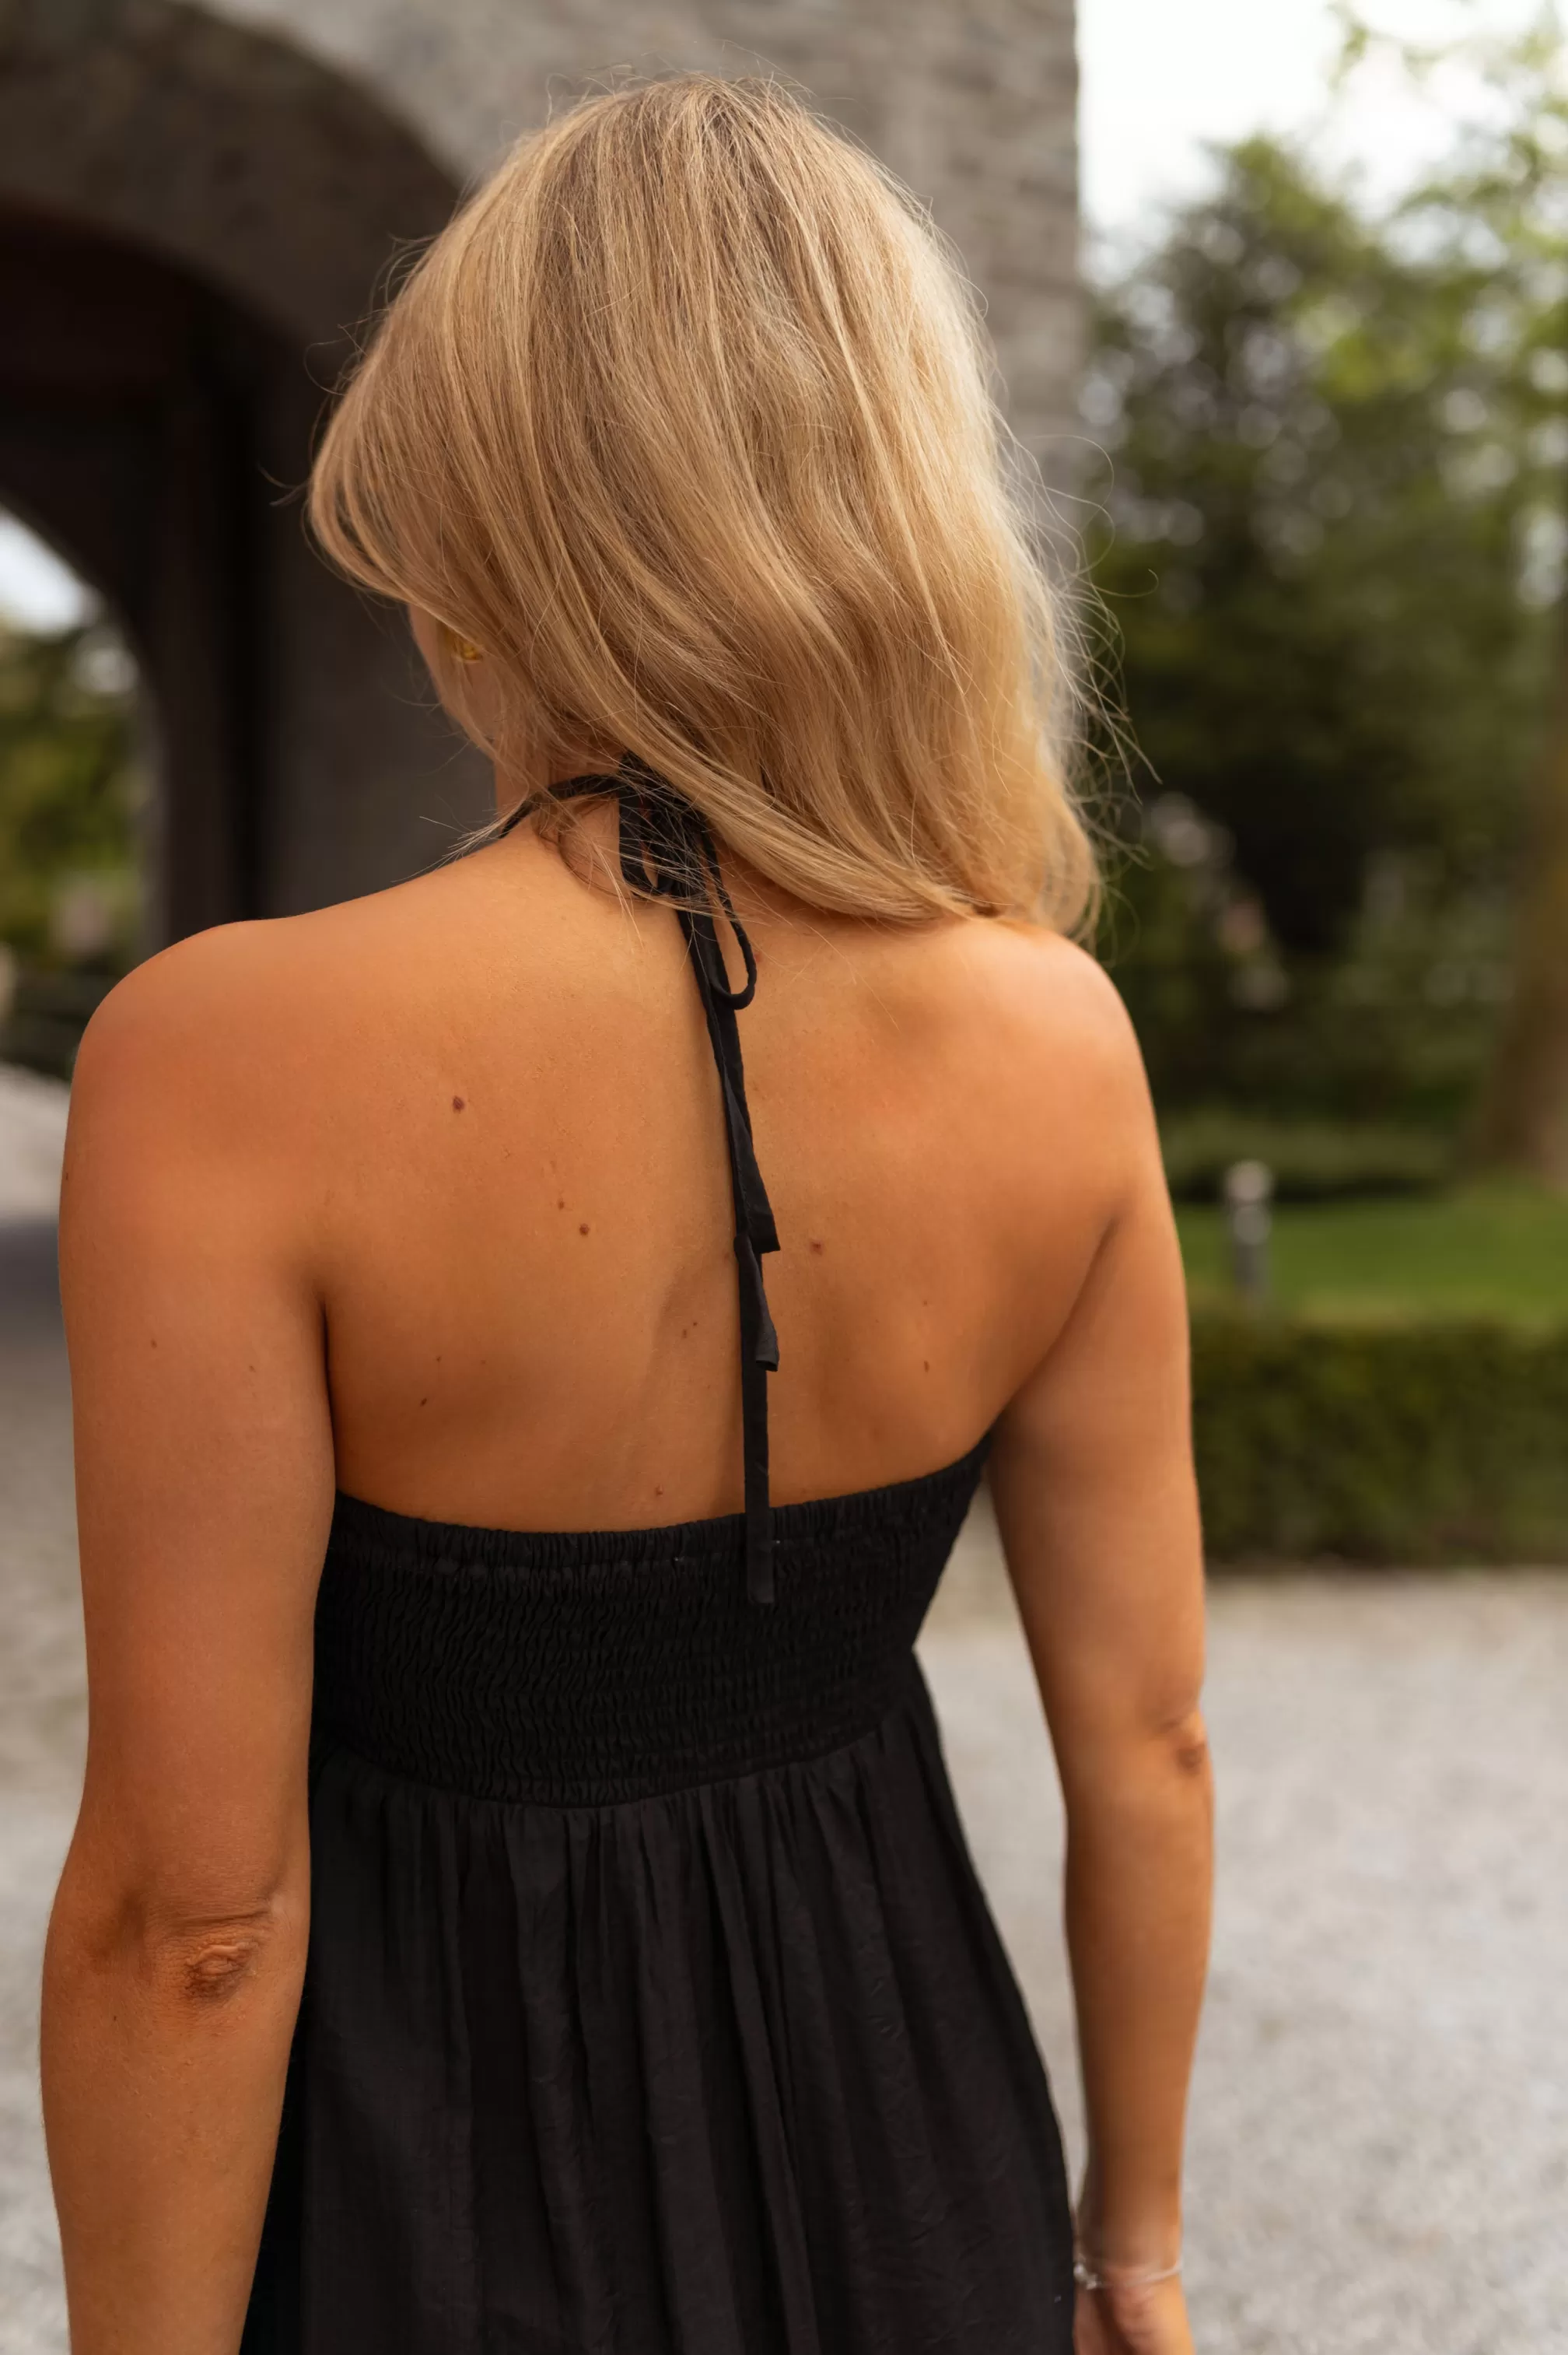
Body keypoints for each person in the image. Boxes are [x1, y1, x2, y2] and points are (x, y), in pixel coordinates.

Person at [40, 74, 1211, 2355]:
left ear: (482, 511)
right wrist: (1134, 2252)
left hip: (426, 2197)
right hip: (914, 2170)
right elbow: (1149, 1745)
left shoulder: (223, 1058)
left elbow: (193, 1916)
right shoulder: (1061, 1040)